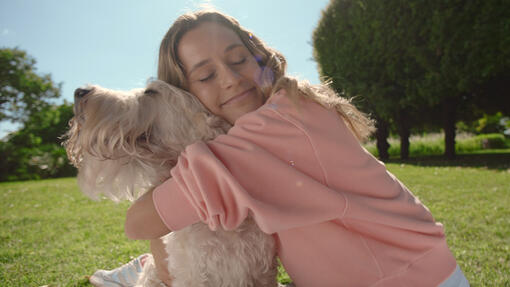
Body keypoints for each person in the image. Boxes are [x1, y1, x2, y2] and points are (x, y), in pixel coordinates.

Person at [92, 9, 470, 287]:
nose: (231, 79)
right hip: (427, 271)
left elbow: (138, 221)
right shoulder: (295, 103)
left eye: (238, 59)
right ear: (187, 95)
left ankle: (141, 272)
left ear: (259, 57)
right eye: (206, 75)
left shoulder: (263, 133)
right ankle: (143, 265)